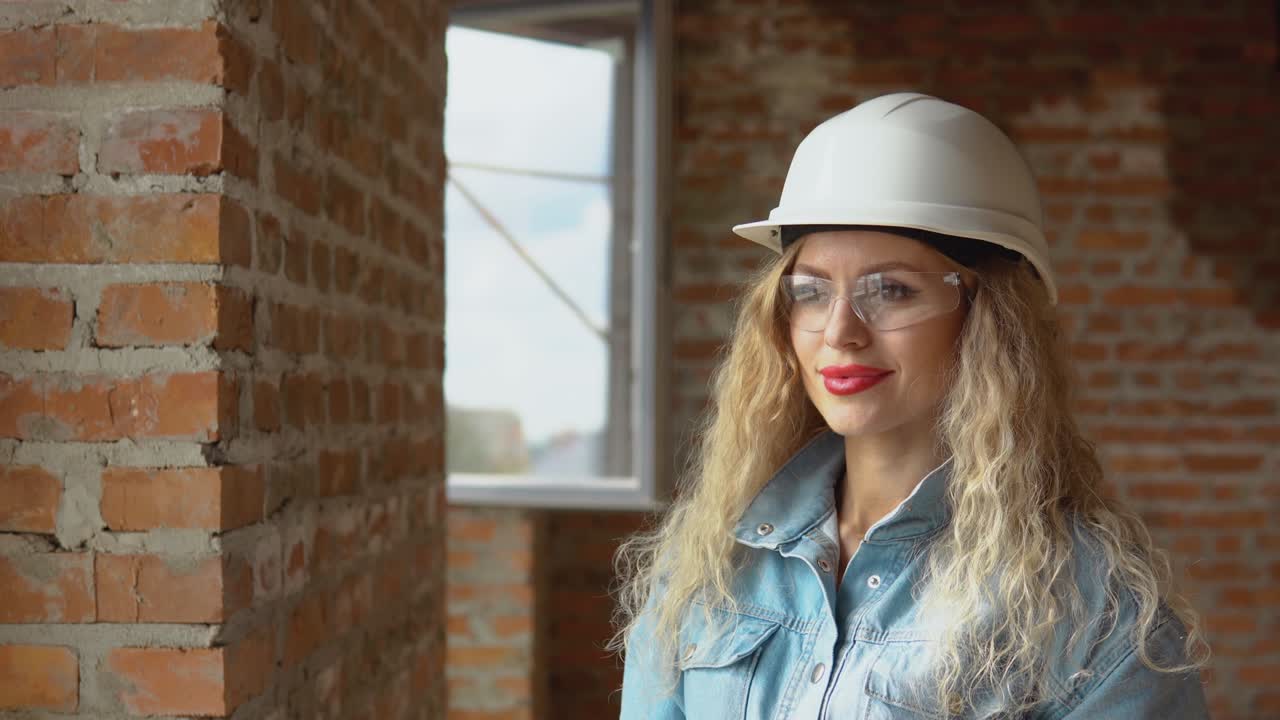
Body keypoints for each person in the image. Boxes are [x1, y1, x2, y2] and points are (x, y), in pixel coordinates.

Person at [608, 92, 1210, 719]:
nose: (840, 330)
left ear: (989, 320)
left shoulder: (1091, 616)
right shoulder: (707, 563)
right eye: (811, 292)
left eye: (890, 290)